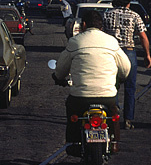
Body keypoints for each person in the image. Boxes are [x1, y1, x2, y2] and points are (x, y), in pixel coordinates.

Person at [52, 10, 130, 154]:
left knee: (72, 111)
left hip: (80, 97)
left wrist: (58, 78)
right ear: (101, 26)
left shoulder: (75, 42)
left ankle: (74, 141)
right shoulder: (111, 41)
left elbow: (61, 69)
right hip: (107, 96)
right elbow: (126, 67)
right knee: (113, 114)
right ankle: (114, 142)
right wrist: (121, 77)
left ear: (84, 25)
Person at [102, 0, 151, 129]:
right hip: (129, 52)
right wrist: (147, 55)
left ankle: (114, 113)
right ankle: (128, 119)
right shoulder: (134, 15)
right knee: (130, 87)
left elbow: (101, 34)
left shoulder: (106, 14)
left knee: (112, 86)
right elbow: (143, 37)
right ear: (128, 2)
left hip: (111, 52)